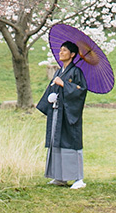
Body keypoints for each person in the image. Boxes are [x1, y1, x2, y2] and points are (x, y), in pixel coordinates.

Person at [36, 40, 88, 189]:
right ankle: (60, 177)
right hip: (57, 112)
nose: (61, 52)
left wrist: (64, 84)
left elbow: (81, 91)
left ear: (72, 54)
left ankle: (78, 178)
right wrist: (50, 98)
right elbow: (53, 88)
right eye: (60, 50)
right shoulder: (59, 71)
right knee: (56, 142)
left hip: (70, 114)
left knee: (71, 143)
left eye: (65, 50)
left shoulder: (76, 72)